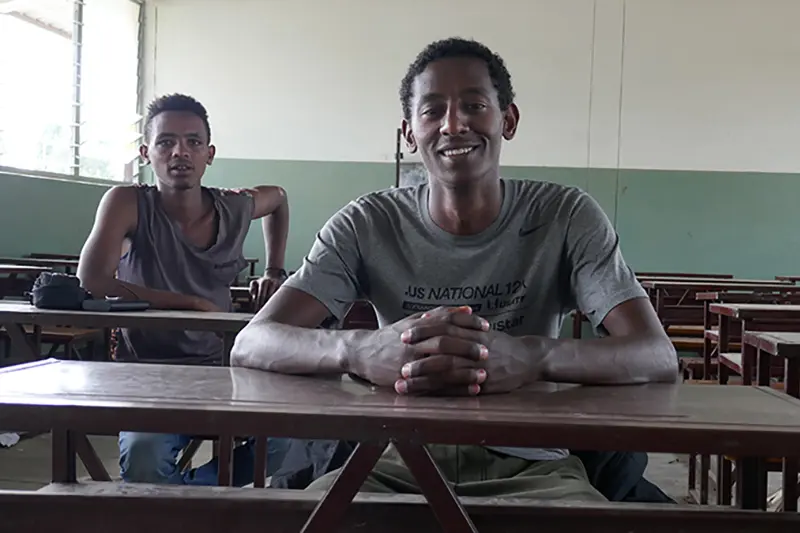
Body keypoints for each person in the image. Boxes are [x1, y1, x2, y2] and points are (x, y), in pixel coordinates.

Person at [230, 38, 678, 501]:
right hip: (391, 460)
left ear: (508, 120)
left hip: (535, 464)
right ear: (409, 132)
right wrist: (359, 350)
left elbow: (657, 356)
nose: (453, 124)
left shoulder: (565, 215)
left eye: (474, 105)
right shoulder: (365, 222)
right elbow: (252, 342)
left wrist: (533, 357)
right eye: (432, 111)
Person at [77, 93, 290, 485]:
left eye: (193, 142)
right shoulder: (128, 203)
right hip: (147, 373)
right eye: (166, 142)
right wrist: (188, 303)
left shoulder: (233, 207)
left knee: (294, 444)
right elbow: (93, 279)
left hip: (220, 369)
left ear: (209, 154)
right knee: (144, 460)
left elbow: (278, 197)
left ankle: (183, 500)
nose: (180, 152)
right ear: (146, 153)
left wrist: (274, 270)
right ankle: (183, 504)